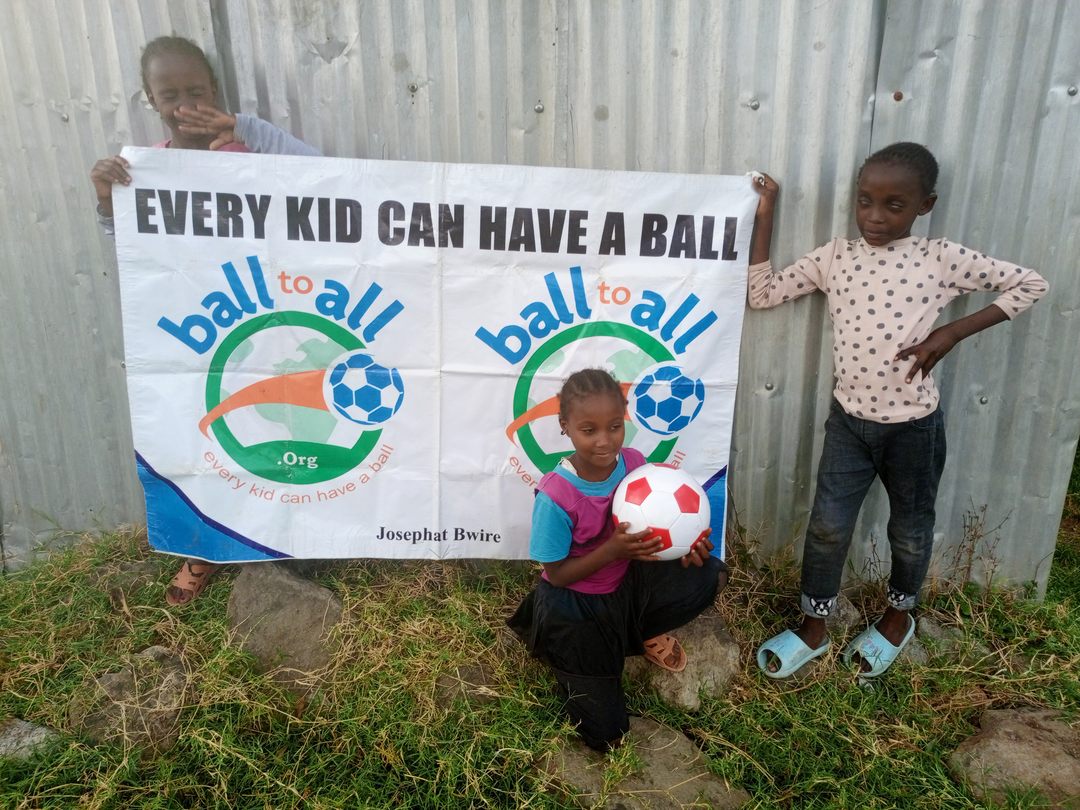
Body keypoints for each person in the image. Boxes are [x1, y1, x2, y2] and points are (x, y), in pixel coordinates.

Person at [747, 143, 1048, 679]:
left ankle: (897, 617)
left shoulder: (939, 258)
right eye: (865, 201)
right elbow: (762, 293)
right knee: (826, 528)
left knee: (909, 530)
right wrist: (766, 210)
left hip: (913, 429)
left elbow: (1031, 284)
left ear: (924, 206)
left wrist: (951, 333)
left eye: (894, 205)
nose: (875, 217)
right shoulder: (835, 257)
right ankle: (814, 627)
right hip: (849, 424)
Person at [90, 35, 321, 605]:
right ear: (151, 99)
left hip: (271, 314)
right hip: (202, 325)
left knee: (283, 427)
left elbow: (328, 182)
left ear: (215, 90)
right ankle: (204, 550)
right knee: (208, 434)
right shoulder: (145, 169)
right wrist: (108, 200)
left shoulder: (252, 145)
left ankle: (298, 536)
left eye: (196, 91)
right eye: (170, 95)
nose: (185, 105)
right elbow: (136, 251)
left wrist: (241, 137)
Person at [508, 368, 728, 751]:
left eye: (614, 426)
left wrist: (685, 547)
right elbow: (556, 575)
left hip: (625, 579)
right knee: (608, 736)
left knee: (710, 575)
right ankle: (569, 659)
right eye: (588, 430)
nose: (604, 441)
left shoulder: (634, 464)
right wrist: (611, 550)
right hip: (575, 607)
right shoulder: (556, 496)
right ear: (565, 427)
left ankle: (634, 633)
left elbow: (654, 533)